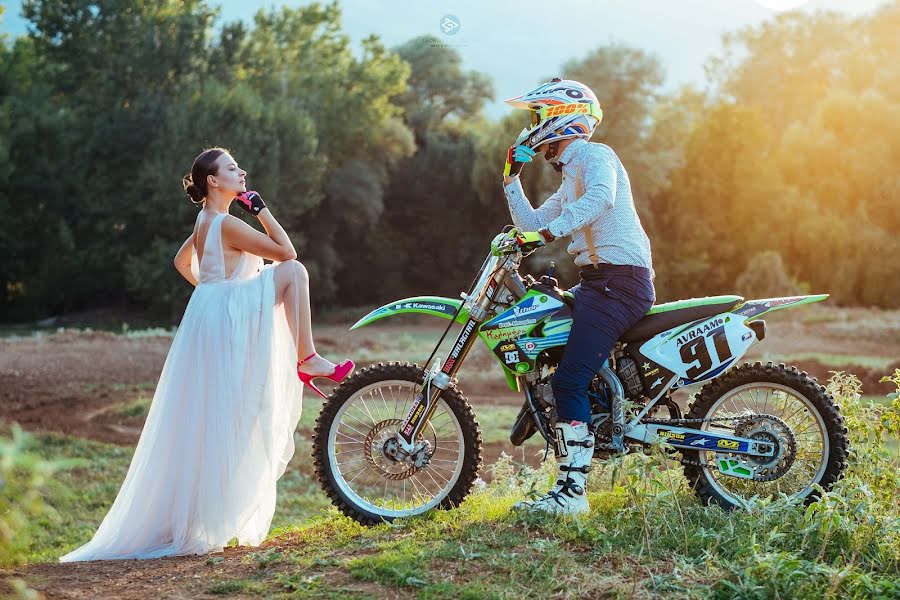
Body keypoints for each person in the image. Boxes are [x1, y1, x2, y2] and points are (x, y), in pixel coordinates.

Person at [60, 148, 353, 561]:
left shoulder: (204, 222)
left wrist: (212, 289)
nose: (242, 171)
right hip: (226, 310)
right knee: (295, 273)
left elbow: (181, 261)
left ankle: (202, 514)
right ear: (214, 181)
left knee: (214, 417)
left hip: (212, 312)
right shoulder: (229, 224)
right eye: (233, 168)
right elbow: (287, 252)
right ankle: (307, 357)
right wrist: (262, 210)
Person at [502, 79, 655, 515]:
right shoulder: (570, 179)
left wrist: (545, 234)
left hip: (619, 283)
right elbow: (528, 221)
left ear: (558, 117)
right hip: (597, 284)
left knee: (570, 380)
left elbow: (602, 200)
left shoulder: (595, 156)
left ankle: (572, 494)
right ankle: (553, 409)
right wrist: (511, 178)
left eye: (536, 117)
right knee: (557, 354)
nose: (531, 128)